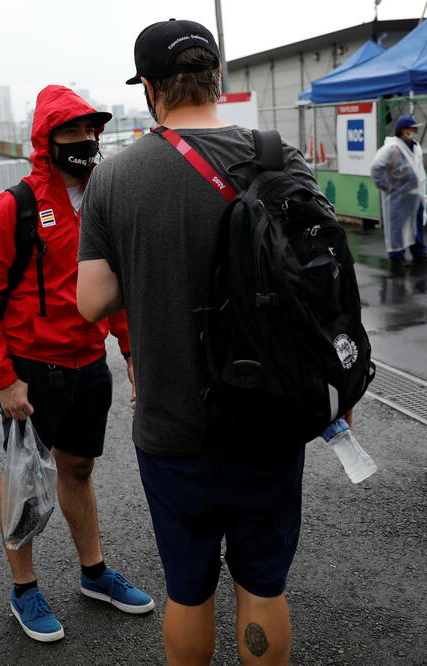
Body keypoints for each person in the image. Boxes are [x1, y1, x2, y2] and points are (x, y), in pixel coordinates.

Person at [76, 19, 334, 665]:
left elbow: (92, 302)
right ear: (215, 77)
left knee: (188, 591)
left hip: (173, 424)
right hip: (271, 413)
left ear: (152, 88)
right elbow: (320, 278)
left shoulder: (116, 177)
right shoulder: (279, 157)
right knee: (263, 583)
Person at [0, 84, 154, 644]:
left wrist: (131, 352)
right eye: (71, 132)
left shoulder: (102, 202)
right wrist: (3, 379)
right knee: (23, 474)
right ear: (45, 141)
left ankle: (94, 573)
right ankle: (24, 587)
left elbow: (112, 288)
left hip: (87, 363)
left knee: (77, 470)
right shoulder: (13, 206)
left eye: (91, 132)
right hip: (31, 367)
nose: (85, 141)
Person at [371, 114, 426, 276]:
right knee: (397, 226)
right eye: (413, 128)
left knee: (416, 224)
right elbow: (376, 168)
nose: (416, 131)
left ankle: (419, 250)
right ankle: (396, 255)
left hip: (414, 194)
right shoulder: (391, 149)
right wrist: (386, 187)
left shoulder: (414, 146)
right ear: (404, 130)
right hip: (398, 195)